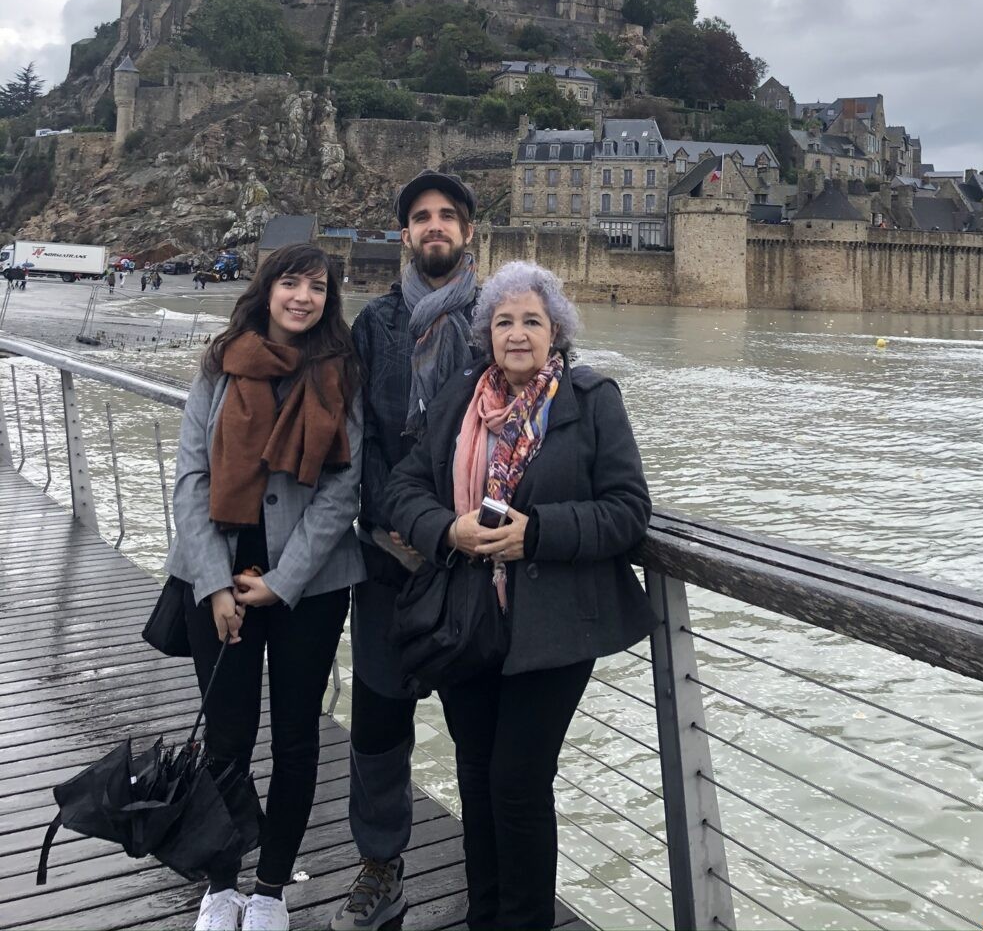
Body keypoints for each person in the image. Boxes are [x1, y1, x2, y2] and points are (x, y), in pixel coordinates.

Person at [387, 261, 656, 931]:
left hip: (553, 629)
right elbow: (401, 489)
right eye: (503, 321)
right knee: (477, 779)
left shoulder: (592, 400)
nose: (516, 333)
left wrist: (536, 536)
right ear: (487, 334)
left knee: (518, 783)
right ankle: (486, 917)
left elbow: (628, 512)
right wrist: (447, 528)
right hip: (466, 621)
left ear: (555, 332)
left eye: (531, 321)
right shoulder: (457, 398)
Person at [164, 244, 366, 931]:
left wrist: (284, 581)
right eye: (291, 283)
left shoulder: (341, 372)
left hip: (309, 585)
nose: (303, 297)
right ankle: (221, 885)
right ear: (267, 289)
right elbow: (190, 477)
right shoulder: (220, 366)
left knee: (296, 739)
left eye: (317, 286)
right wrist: (214, 584)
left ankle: (272, 888)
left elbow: (345, 489)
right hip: (216, 575)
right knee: (226, 739)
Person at [329, 170, 478, 931]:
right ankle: (380, 867)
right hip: (389, 564)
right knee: (380, 730)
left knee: (480, 734)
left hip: (477, 573)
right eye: (420, 217)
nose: (434, 227)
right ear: (404, 234)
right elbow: (356, 446)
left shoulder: (503, 318)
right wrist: (395, 520)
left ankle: (492, 875)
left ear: (469, 232)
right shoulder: (375, 325)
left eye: (447, 216)